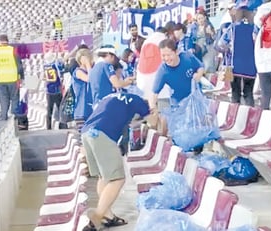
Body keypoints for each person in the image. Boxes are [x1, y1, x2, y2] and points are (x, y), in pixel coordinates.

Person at [81, 92, 157, 231]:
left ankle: (108, 216)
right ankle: (96, 218)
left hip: (87, 132)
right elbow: (153, 122)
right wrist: (154, 112)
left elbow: (123, 118)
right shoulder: (139, 101)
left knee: (103, 177)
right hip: (102, 134)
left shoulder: (112, 97)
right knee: (117, 179)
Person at [149, 38, 204, 135]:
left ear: (176, 52)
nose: (166, 58)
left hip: (196, 100)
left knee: (198, 130)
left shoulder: (188, 57)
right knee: (181, 132)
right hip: (178, 104)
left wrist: (198, 75)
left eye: (169, 55)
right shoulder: (163, 71)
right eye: (163, 55)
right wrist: (153, 109)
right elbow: (154, 93)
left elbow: (200, 67)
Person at [0, 34, 24, 121]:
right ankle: (14, 120)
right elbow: (19, 66)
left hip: (1, 80)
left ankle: (3, 119)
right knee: (15, 99)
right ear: (7, 41)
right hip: (13, 79)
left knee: (4, 101)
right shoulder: (12, 50)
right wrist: (22, 76)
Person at [43, 52, 67, 129]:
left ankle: (48, 126)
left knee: (49, 110)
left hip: (48, 90)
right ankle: (62, 125)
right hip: (57, 90)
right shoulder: (55, 65)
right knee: (60, 108)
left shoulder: (45, 66)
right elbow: (62, 70)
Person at [72, 48, 93, 132]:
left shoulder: (90, 71)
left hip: (91, 109)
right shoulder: (78, 72)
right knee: (83, 139)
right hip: (82, 111)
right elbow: (90, 79)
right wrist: (87, 64)